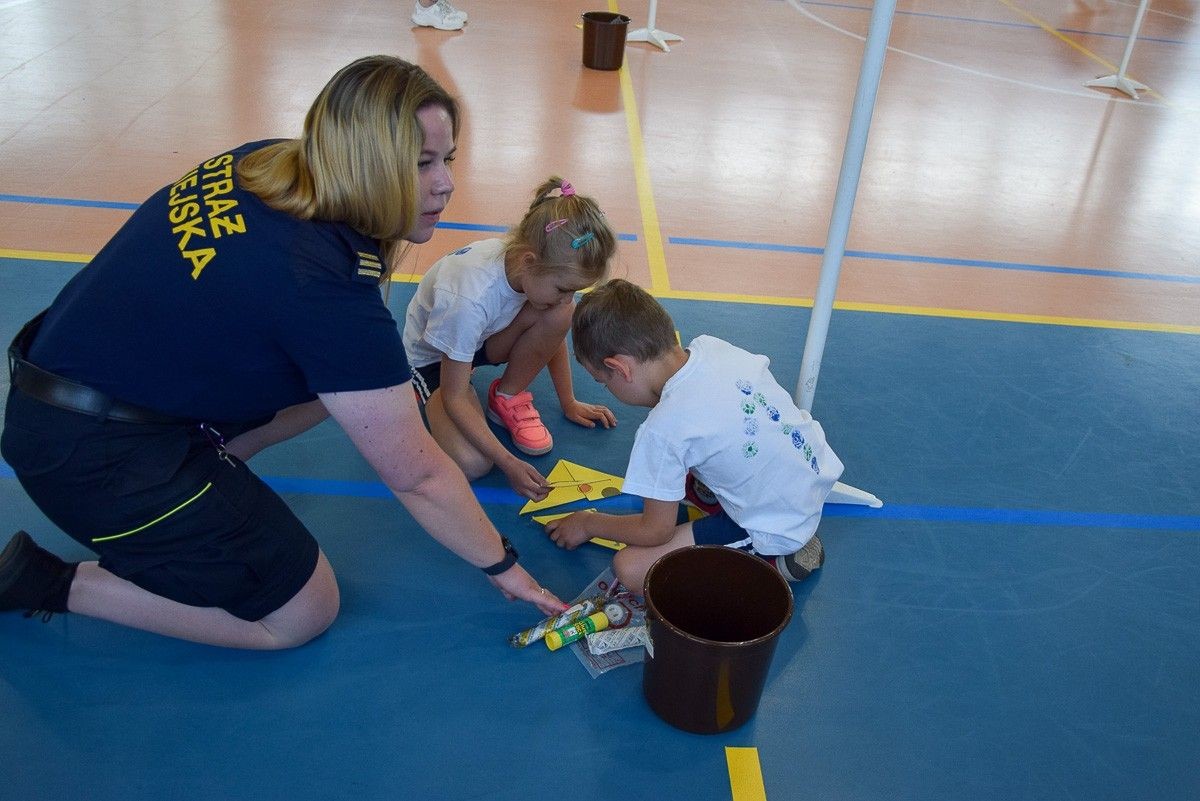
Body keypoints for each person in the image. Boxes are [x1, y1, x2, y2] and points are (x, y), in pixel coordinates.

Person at [0, 55, 566, 651]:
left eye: (446, 158)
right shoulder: (316, 282)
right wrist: (504, 566)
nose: (446, 182)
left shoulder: (267, 160)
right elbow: (419, 474)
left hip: (62, 389)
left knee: (345, 386)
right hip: (90, 453)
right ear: (365, 162)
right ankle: (55, 582)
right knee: (303, 612)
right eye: (420, 163)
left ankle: (209, 475)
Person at [544, 279, 845, 593]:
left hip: (774, 524)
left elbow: (655, 532)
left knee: (630, 568)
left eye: (603, 381)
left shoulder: (663, 429)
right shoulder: (712, 347)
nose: (609, 390)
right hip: (809, 476)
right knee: (682, 476)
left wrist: (589, 523)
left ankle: (771, 562)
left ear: (620, 368)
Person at [402, 176, 618, 501]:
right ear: (530, 262)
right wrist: (508, 462)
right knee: (474, 463)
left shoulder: (527, 267)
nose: (567, 297)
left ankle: (506, 396)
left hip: (478, 341)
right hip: (433, 361)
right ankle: (416, 410)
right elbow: (455, 396)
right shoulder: (470, 299)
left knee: (560, 313)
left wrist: (568, 402)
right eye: (564, 289)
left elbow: (554, 332)